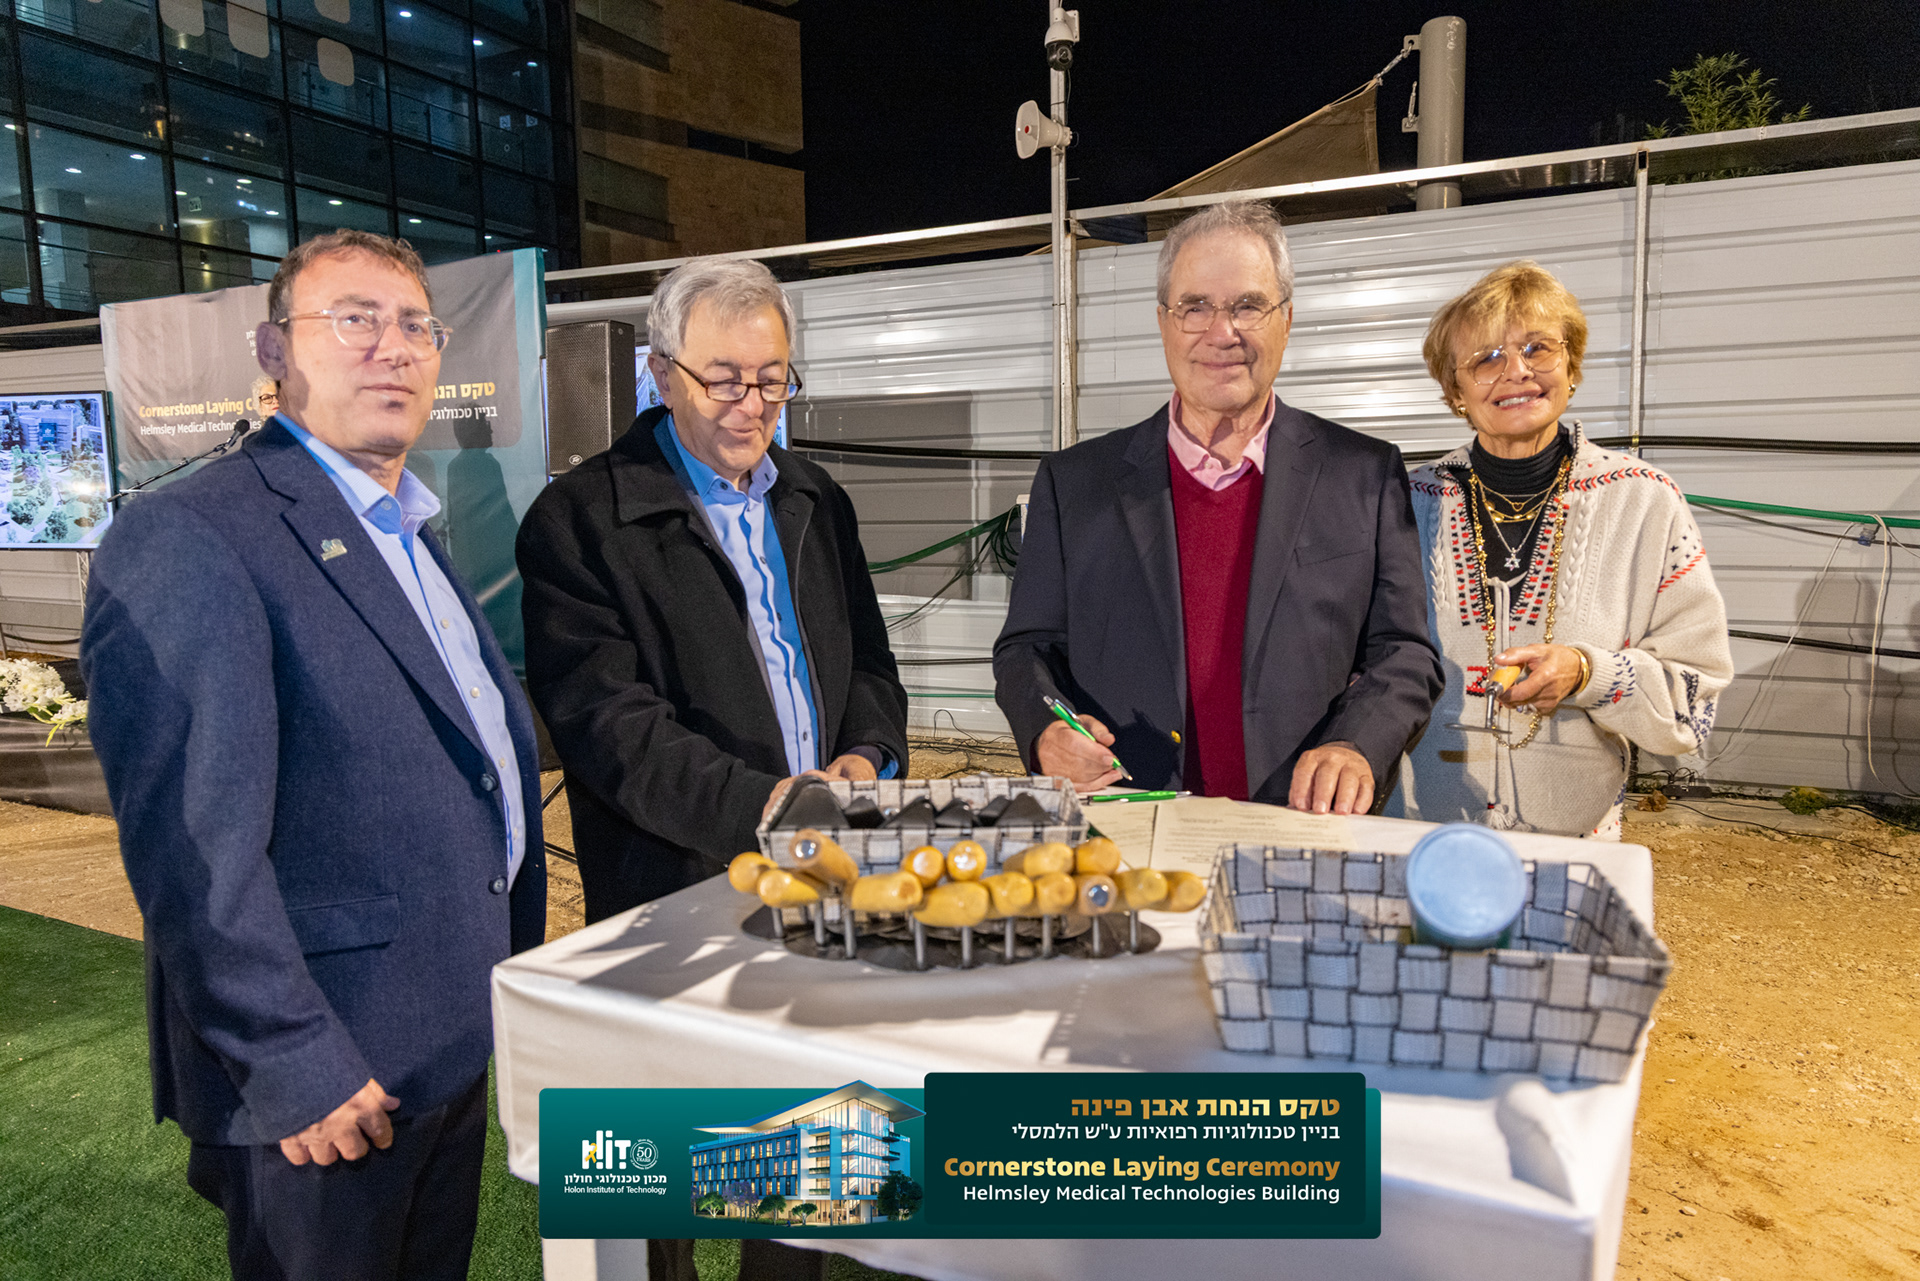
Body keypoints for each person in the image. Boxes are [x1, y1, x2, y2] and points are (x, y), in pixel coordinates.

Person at [81, 230, 546, 1280]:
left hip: (442, 1043)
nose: (393, 347)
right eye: (354, 319)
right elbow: (192, 851)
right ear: (273, 351)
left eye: (416, 325)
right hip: (330, 1081)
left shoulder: (408, 530)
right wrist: (293, 1060)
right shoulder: (195, 533)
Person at [994, 200, 1441, 813]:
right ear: (1163, 322)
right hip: (1127, 817)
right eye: (1195, 307)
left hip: (1302, 820)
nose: (1221, 333)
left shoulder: (1362, 473)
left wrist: (1356, 744)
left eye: (1248, 306)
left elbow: (1405, 652)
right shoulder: (1075, 484)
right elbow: (1026, 649)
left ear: (1287, 319)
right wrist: (1046, 730)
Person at [518, 256, 908, 920]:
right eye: (724, 382)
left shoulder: (816, 499)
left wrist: (867, 754)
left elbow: (868, 659)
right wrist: (762, 807)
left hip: (831, 862)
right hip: (679, 893)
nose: (752, 408)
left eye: (772, 381)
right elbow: (609, 727)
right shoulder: (581, 522)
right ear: (663, 377)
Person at [1388, 260, 1733, 838]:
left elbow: (1694, 698)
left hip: (1575, 841)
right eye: (1486, 359)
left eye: (1538, 348)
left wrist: (1590, 673)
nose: (1516, 371)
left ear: (1570, 367)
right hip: (1419, 832)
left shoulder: (1645, 501)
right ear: (1455, 391)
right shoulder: (1404, 502)